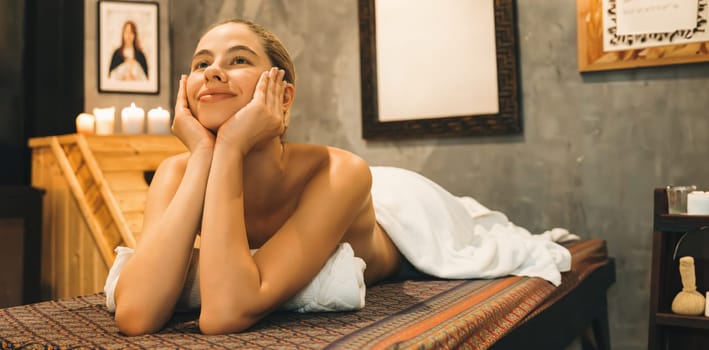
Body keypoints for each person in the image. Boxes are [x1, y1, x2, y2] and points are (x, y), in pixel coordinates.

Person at [109, 18, 575, 336]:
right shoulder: (176, 172)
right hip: (255, 170)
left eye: (237, 60)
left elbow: (224, 314)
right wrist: (207, 153)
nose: (212, 71)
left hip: (405, 208)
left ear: (283, 96)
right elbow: (135, 314)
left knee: (479, 226)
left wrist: (228, 147)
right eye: (200, 63)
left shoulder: (341, 171)